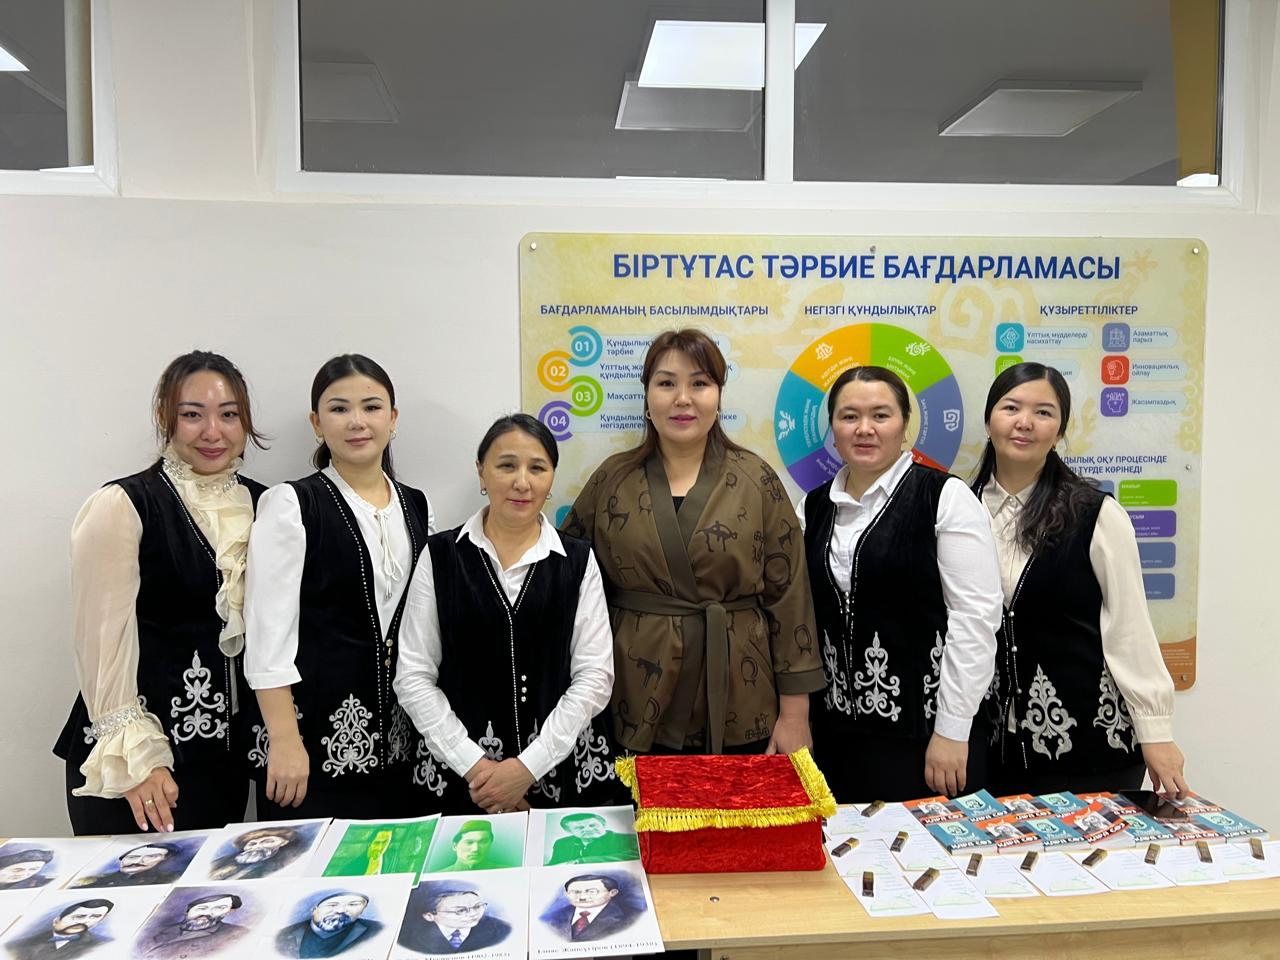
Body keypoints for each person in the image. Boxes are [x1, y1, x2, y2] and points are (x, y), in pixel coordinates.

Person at [562, 329, 824, 757]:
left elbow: (790, 596)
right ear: (647, 397)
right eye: (666, 383)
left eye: (699, 383)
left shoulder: (756, 479)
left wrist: (795, 714)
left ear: (718, 396)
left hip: (741, 691)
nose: (682, 399)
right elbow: (568, 580)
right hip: (634, 692)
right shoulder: (612, 479)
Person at [53, 351, 269, 835]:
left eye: (229, 414)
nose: (213, 432)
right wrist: (136, 759)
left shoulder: (266, 504)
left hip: (222, 763)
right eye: (192, 414)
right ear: (164, 417)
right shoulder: (124, 504)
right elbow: (101, 641)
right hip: (135, 770)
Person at [971, 362, 1188, 797]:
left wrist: (1156, 731)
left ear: (1060, 430)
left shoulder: (1095, 513)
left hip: (1093, 749)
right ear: (989, 420)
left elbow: (1129, 625)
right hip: (994, 752)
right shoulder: (960, 510)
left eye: (1044, 412)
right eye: (1011, 407)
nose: (1025, 422)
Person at [395, 414, 618, 814]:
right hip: (461, 782)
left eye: (537, 468)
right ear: (481, 472)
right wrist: (478, 769)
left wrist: (526, 769)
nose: (522, 482)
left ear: (551, 478)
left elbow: (594, 677)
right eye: (506, 465)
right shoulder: (440, 556)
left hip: (562, 777)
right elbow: (413, 676)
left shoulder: (578, 561)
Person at [799, 365, 1003, 801]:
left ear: (905, 425)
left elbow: (975, 620)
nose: (864, 429)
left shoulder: (944, 497)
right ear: (833, 429)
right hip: (839, 739)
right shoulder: (812, 507)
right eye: (849, 416)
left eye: (880, 415)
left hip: (929, 739)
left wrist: (952, 730)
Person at [246, 355, 436, 820]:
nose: (357, 422)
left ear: (392, 418)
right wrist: (284, 740)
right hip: (310, 746)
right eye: (339, 409)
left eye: (371, 407)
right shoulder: (292, 503)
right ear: (316, 423)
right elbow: (268, 634)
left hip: (399, 745)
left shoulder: (415, 504)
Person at [397, 887, 512, 954]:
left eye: (477, 906)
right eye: (460, 910)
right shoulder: (406, 937)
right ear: (429, 916)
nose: (473, 914)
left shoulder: (501, 929)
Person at [138, 893, 248, 958]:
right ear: (187, 912)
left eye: (219, 908)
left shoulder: (237, 934)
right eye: (202, 908)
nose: (208, 913)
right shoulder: (157, 930)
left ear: (228, 912)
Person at [275, 892, 382, 958]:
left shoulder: (377, 930)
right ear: (314, 910)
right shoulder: (284, 935)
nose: (340, 910)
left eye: (353, 904)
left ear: (362, 910)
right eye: (332, 905)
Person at [6, 900, 113, 960]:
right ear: (56, 921)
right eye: (79, 916)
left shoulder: (101, 945)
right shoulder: (18, 944)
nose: (85, 921)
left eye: (95, 916)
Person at [544, 875, 639, 942]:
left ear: (612, 893)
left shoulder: (632, 916)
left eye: (592, 892)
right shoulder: (552, 917)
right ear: (566, 894)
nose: (582, 897)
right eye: (575, 892)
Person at [207, 826, 301, 880]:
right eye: (252, 844)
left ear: (284, 842)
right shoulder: (221, 863)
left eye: (267, 841)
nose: (257, 847)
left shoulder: (289, 860)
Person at [71, 843, 184, 887]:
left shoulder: (172, 878)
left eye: (151, 856)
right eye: (132, 857)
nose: (138, 861)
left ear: (166, 859)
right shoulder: (94, 881)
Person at [546, 813, 639, 865]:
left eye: (592, 825)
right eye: (579, 828)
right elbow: (553, 865)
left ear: (604, 825)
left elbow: (633, 857)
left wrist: (581, 861)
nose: (588, 829)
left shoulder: (629, 839)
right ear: (569, 831)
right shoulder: (562, 843)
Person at [434, 821, 501, 872]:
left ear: (490, 844)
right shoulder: (438, 875)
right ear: (455, 846)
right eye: (469, 842)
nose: (475, 849)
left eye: (483, 842)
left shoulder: (504, 871)